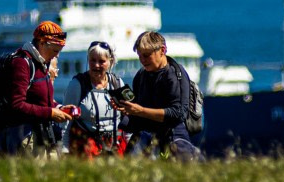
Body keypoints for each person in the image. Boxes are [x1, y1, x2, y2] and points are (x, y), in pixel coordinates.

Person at [0, 21, 76, 155]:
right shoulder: (22, 63)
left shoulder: (42, 63)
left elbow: (41, 100)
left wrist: (59, 108)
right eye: (55, 51)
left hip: (41, 134)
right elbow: (17, 104)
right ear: (42, 43)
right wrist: (51, 113)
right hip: (24, 137)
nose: (57, 55)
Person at [113, 31, 199, 160]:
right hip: (145, 135)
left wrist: (140, 110)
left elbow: (178, 113)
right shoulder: (141, 75)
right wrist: (126, 110)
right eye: (140, 56)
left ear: (162, 50)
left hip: (173, 134)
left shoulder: (175, 74)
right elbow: (138, 112)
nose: (142, 60)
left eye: (146, 55)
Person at [62, 41, 127, 157]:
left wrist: (130, 148)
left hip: (115, 148)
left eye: (101, 61)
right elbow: (66, 122)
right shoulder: (77, 85)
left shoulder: (117, 83)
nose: (96, 65)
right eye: (93, 60)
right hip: (87, 151)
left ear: (110, 62)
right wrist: (64, 151)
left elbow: (127, 116)